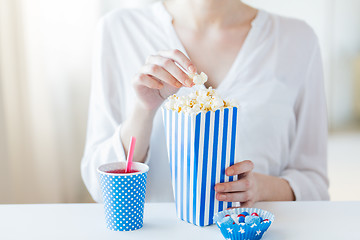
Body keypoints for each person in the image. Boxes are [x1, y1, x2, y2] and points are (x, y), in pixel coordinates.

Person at [81, 0, 329, 206]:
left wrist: (261, 188)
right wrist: (143, 111)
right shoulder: (119, 30)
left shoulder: (297, 40)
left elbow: (315, 186)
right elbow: (99, 187)